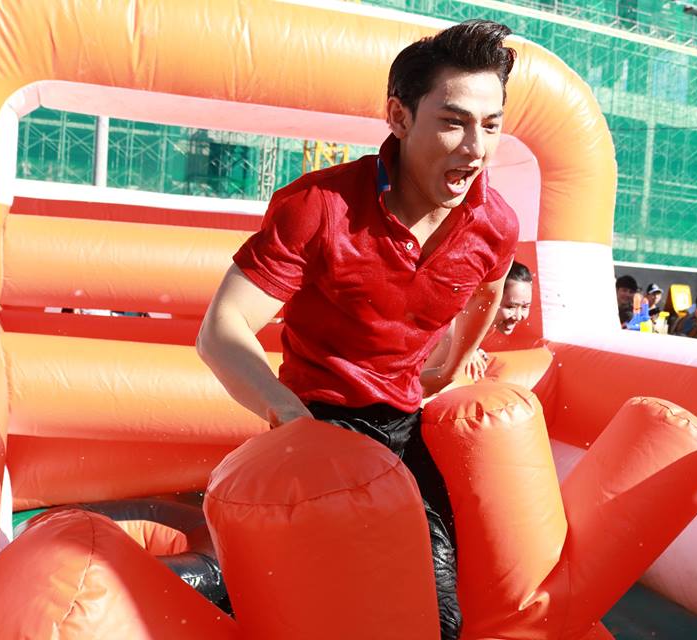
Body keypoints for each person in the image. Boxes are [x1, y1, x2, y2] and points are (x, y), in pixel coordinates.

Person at [197, 20, 520, 639]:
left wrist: (452, 365)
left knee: (438, 613)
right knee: (318, 607)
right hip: (318, 421)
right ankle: (215, 582)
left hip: (401, 424)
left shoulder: (494, 222)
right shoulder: (320, 206)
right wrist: (290, 418)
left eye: (491, 125)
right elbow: (221, 329)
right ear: (399, 116)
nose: (475, 148)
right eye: (453, 122)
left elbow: (488, 287)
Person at [427, 261, 533, 381]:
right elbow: (419, 385)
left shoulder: (486, 326)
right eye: (510, 307)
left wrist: (473, 349)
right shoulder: (453, 335)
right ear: (493, 298)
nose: (518, 316)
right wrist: (465, 351)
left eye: (525, 307)